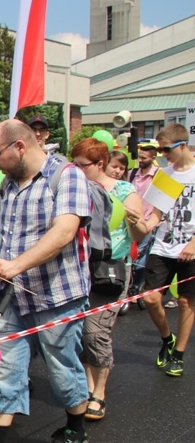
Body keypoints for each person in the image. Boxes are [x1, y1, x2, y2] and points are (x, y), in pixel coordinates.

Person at [0, 119, 92, 443]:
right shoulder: (6, 185)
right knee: (4, 372)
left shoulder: (67, 176)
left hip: (57, 297)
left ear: (20, 147)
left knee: (62, 368)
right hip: (10, 300)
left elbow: (65, 231)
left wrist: (16, 265)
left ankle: (75, 428)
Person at [71, 138, 146, 421]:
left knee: (95, 332)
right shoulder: (76, 188)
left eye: (81, 165)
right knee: (79, 332)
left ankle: (99, 393)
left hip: (110, 271)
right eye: (74, 164)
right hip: (79, 267)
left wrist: (134, 220)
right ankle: (88, 386)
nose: (76, 170)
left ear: (99, 164)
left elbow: (139, 235)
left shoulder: (124, 191)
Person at [142, 124, 195, 377]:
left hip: (191, 247)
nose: (162, 154)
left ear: (182, 144)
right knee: (150, 298)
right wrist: (143, 224)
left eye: (166, 149)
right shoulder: (165, 175)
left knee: (186, 301)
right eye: (159, 150)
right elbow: (156, 215)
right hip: (164, 244)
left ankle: (179, 355)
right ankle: (167, 338)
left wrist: (194, 244)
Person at [128, 144, 160, 305]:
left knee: (140, 258)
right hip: (131, 222)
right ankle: (128, 285)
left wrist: (154, 221)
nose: (140, 160)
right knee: (130, 256)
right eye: (139, 157)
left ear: (153, 159)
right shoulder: (132, 174)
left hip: (149, 222)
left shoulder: (159, 176)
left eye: (144, 158)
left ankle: (136, 286)